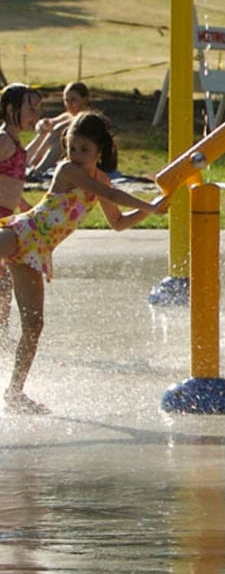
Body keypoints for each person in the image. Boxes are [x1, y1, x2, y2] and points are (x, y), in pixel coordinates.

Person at [1, 111, 165, 414]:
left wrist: (152, 209)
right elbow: (111, 192)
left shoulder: (99, 178)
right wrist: (149, 205)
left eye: (84, 150)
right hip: (22, 233)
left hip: (37, 253)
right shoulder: (68, 170)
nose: (76, 155)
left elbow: (117, 222)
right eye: (72, 147)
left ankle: (14, 392)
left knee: (34, 326)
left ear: (100, 151)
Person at [0, 84, 42, 338]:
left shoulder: (13, 141)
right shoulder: (4, 140)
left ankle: (2, 332)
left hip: (6, 216)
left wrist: (22, 204)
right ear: (10, 108)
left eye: (37, 109)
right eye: (31, 108)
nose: (35, 114)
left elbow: (9, 180)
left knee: (4, 282)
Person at [25, 81, 91, 180]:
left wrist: (39, 154)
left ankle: (37, 169)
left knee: (60, 139)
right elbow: (49, 123)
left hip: (84, 156)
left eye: (73, 100)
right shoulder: (68, 115)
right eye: (66, 100)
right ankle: (21, 160)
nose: (69, 104)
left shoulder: (87, 117)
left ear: (85, 99)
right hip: (64, 155)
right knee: (46, 130)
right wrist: (43, 125)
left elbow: (59, 128)